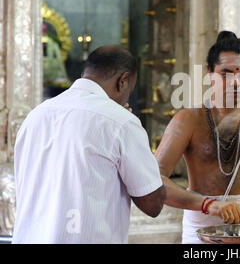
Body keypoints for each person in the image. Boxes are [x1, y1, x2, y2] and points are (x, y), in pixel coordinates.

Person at [12, 45, 166, 243]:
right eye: (130, 91)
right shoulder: (121, 122)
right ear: (123, 81)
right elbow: (152, 204)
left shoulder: (36, 116)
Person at [156, 31, 240, 243]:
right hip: (201, 228)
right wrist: (209, 205)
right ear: (210, 74)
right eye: (226, 73)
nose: (236, 82)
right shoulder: (189, 120)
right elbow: (155, 180)